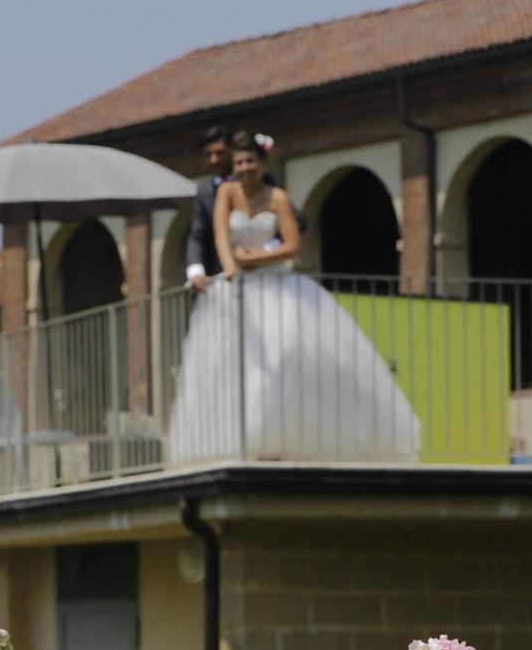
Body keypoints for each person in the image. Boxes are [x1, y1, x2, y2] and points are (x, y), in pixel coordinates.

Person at [167, 131, 420, 464]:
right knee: (232, 361)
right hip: (238, 287)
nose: (244, 168)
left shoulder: (278, 197)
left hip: (276, 284)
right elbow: (215, 235)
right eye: (239, 162)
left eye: (250, 162)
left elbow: (293, 246)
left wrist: (251, 259)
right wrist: (231, 270)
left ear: (261, 162)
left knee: (286, 354)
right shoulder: (223, 192)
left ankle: (282, 436)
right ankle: (241, 438)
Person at [184, 127, 298, 293]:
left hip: (275, 280)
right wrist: (226, 266)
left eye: (219, 153)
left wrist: (259, 253)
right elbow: (199, 234)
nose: (214, 159)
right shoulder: (215, 190)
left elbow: (297, 226)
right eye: (208, 155)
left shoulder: (273, 190)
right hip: (231, 278)